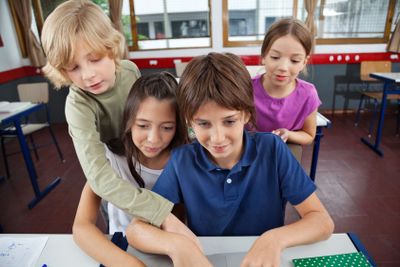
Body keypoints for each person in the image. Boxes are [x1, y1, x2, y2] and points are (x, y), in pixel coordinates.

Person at [126, 52, 334, 266]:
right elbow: (136, 229)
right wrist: (177, 246)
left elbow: (322, 221)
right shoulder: (182, 160)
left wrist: (275, 239)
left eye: (229, 121)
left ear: (245, 114)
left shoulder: (272, 150)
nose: (217, 138)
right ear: (189, 121)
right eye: (204, 124)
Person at [40, 0, 193, 238]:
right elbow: (99, 178)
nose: (88, 74)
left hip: (148, 159)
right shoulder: (77, 105)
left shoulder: (130, 71)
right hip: (117, 171)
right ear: (62, 70)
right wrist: (160, 214)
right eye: (74, 67)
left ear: (111, 48)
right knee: (119, 224)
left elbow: (153, 112)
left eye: (95, 59)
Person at [73, 72, 207, 266]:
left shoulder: (186, 157)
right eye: (143, 125)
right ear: (128, 120)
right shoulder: (111, 159)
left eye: (167, 127)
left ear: (178, 127)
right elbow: (81, 227)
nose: (153, 138)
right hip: (125, 249)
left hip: (175, 249)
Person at [252, 18, 321, 161]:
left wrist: (288, 134)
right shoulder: (246, 88)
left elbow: (309, 135)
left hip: (283, 156)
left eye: (294, 60)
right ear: (264, 56)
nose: (283, 67)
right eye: (275, 57)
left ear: (304, 62)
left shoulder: (308, 94)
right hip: (249, 153)